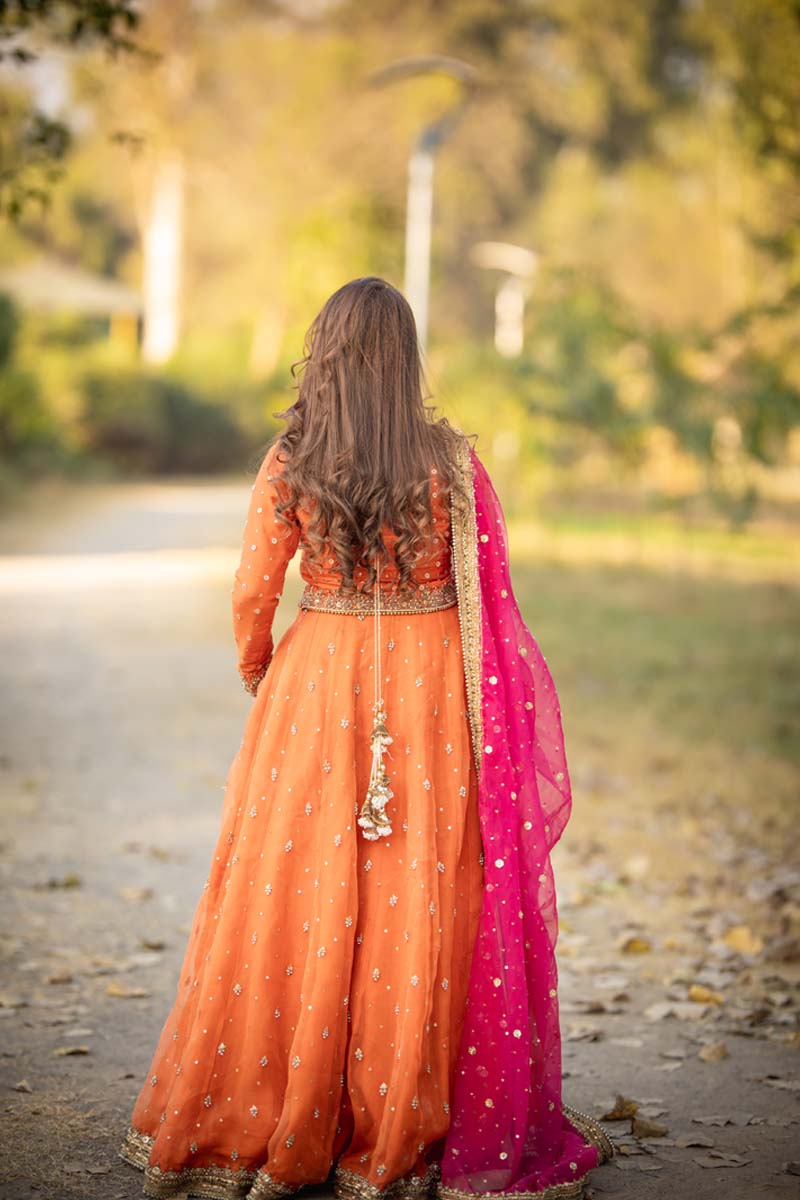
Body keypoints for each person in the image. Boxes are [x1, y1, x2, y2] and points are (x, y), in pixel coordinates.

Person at [119, 277, 613, 1200]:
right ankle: (392, 1134)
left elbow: (252, 589)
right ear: (407, 359)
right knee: (415, 895)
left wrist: (260, 669)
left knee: (293, 888)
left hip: (318, 684)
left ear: (327, 354)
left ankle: (273, 1120)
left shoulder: (293, 456)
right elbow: (493, 601)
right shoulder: (455, 463)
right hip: (429, 687)